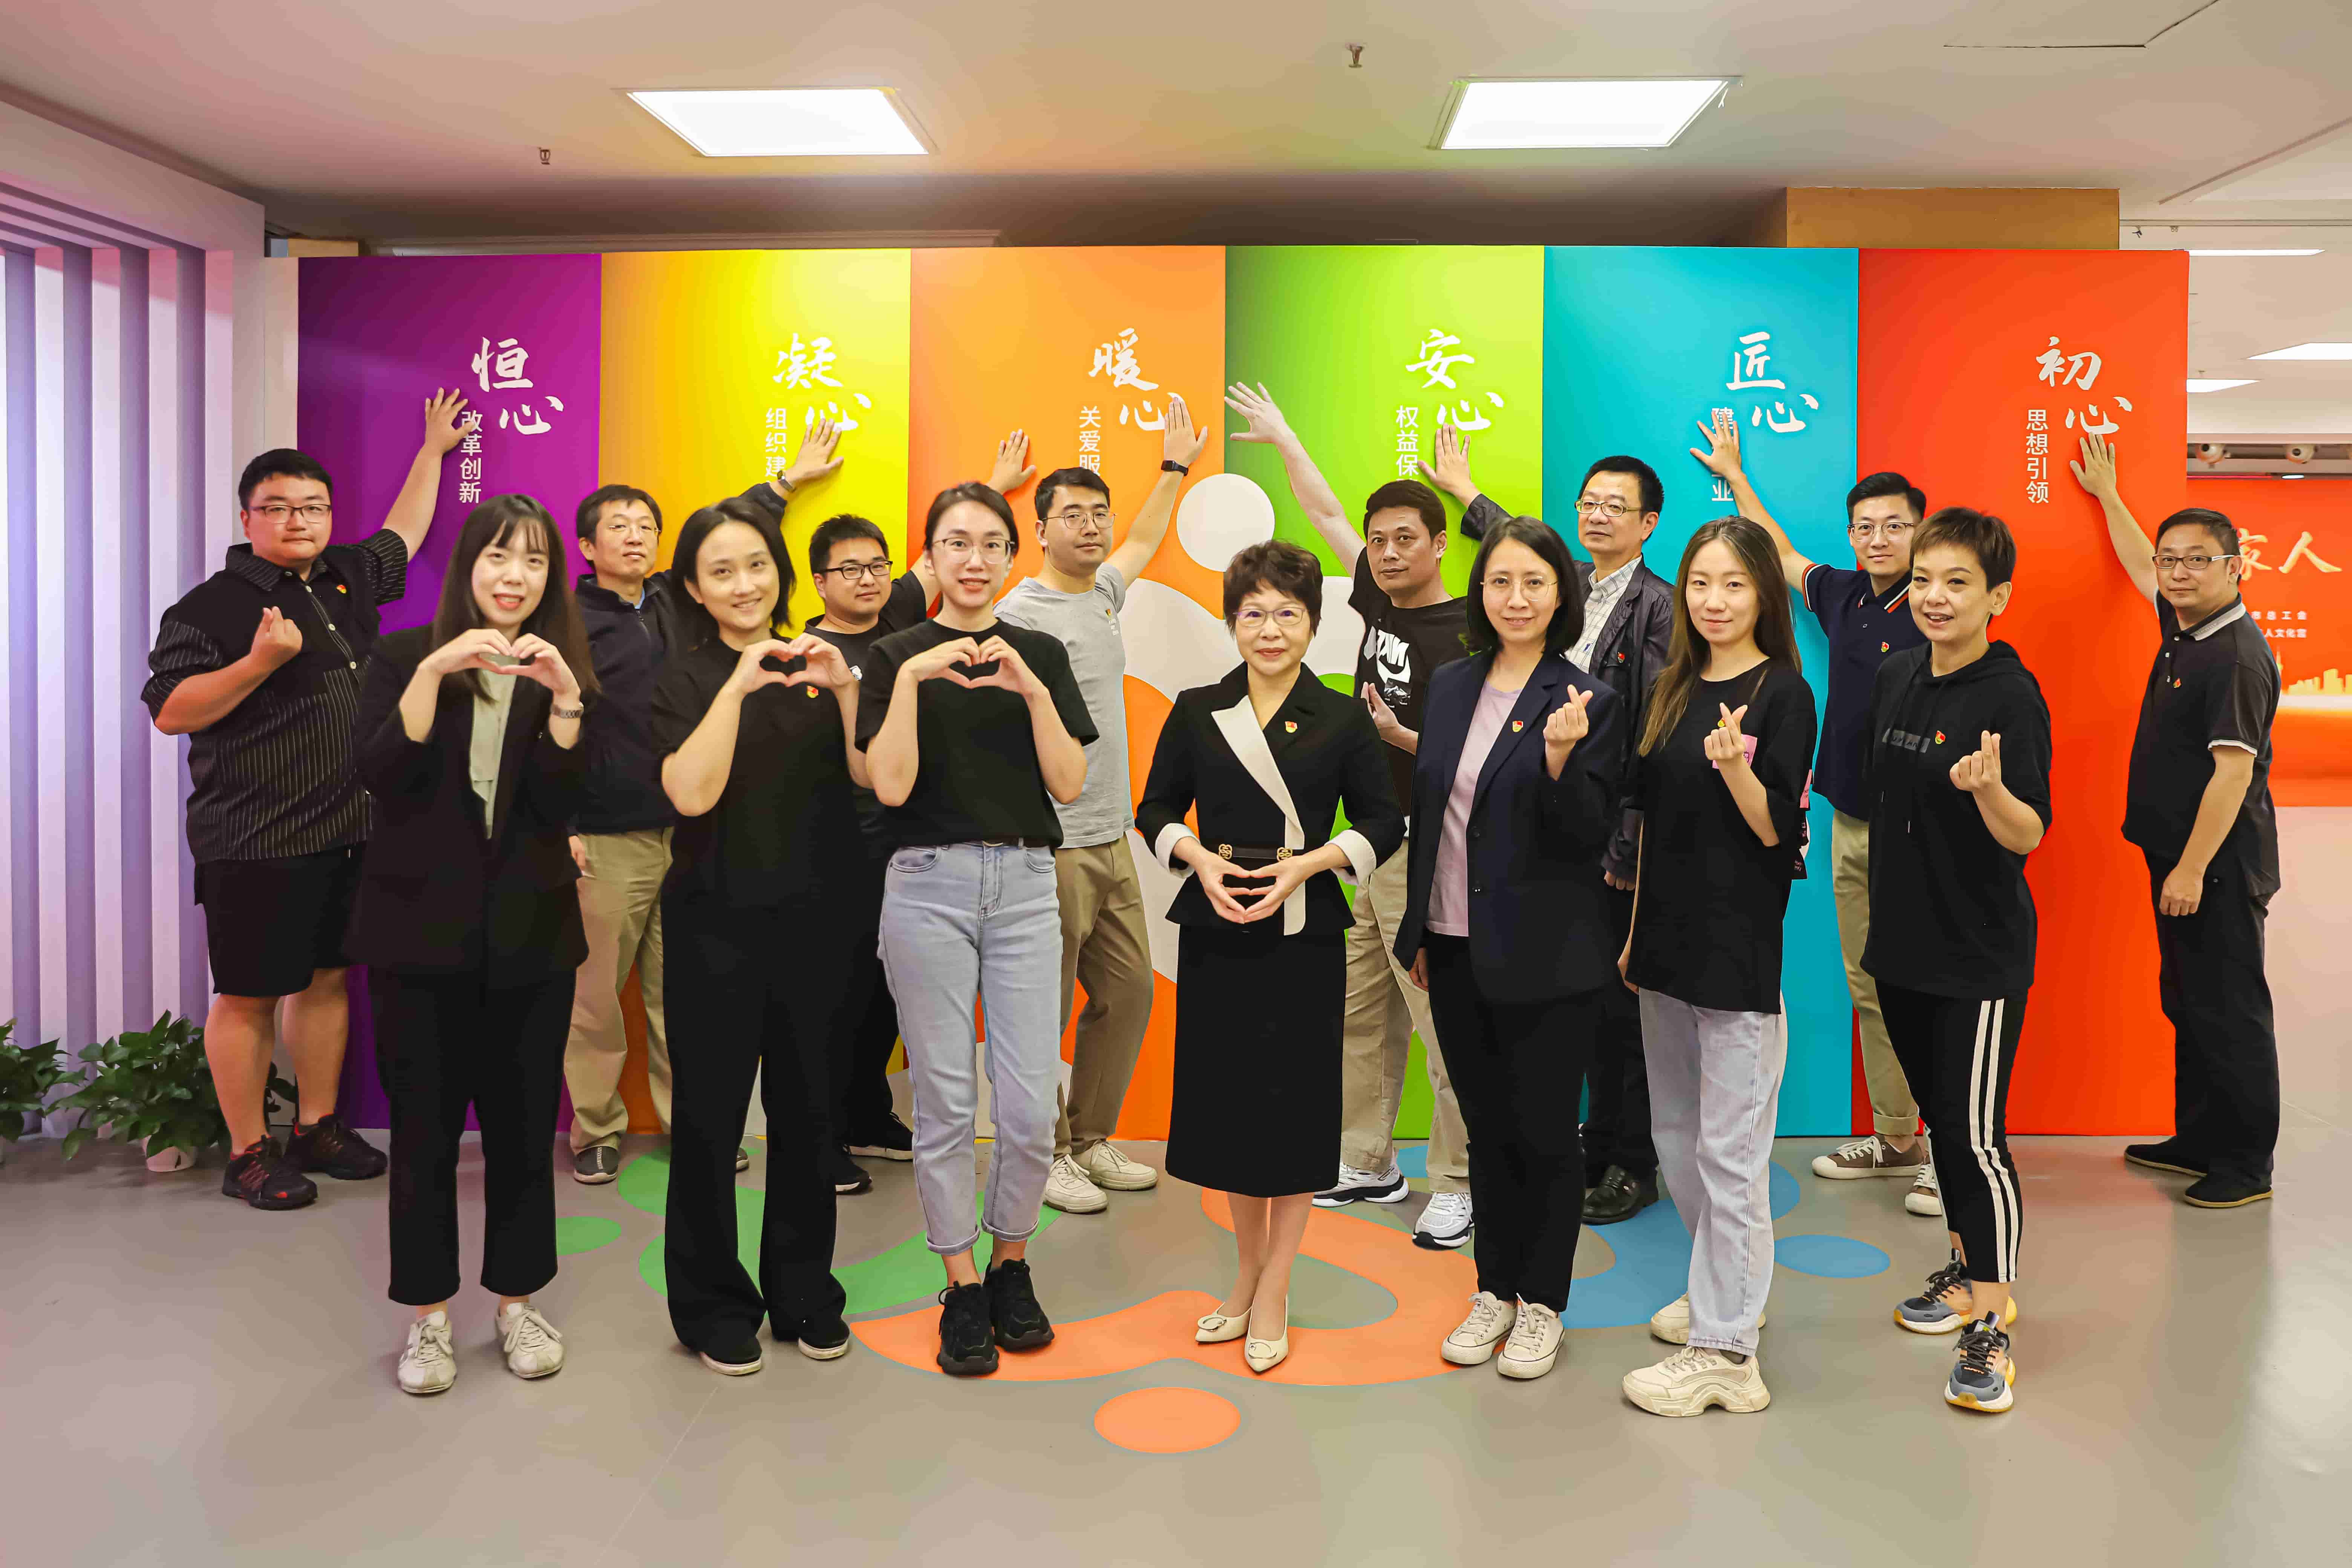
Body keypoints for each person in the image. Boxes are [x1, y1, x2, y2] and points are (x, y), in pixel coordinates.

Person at [143, 392, 469, 1210]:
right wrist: (256, 663)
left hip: (351, 829)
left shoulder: (346, 575)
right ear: (248, 518)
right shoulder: (211, 606)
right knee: (249, 993)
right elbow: (170, 711)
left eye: (314, 506)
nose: (299, 520)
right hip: (255, 837)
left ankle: (316, 1127)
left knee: (326, 980)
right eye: (279, 507)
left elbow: (403, 534)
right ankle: (247, 1153)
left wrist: (432, 450)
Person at [1136, 540, 1403, 1375]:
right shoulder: (1197, 708)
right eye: (1253, 613)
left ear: (1313, 623)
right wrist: (1198, 860)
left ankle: (1277, 1284)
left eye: (1288, 613)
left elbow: (1383, 822)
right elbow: (1154, 809)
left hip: (1303, 934)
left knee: (1292, 1118)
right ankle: (1246, 1274)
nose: (1270, 629)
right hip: (1217, 929)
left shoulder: (1343, 717)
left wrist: (1310, 864)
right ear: (1231, 621)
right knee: (1229, 1117)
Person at [349, 496, 595, 1395]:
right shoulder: (402, 655)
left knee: (524, 1133)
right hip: (417, 937)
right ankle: (427, 1317)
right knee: (423, 1135)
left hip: (532, 937)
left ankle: (517, 1303)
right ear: (467, 565)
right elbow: (381, 775)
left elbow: (563, 803)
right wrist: (435, 671)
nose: (515, 576)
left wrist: (566, 702)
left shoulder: (560, 665)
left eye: (533, 560)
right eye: (498, 556)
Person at [1223, 383, 1474, 1253]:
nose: (1389, 551)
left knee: (1442, 1019)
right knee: (1362, 1009)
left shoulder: (1469, 628)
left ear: (1440, 543)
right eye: (1380, 540)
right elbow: (1327, 511)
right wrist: (1286, 435)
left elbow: (1482, 755)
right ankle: (1368, 1159)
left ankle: (1461, 1178)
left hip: (1430, 849)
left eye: (1407, 538)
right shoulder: (1377, 595)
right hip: (1365, 842)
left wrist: (1401, 737)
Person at [562, 422, 844, 1187]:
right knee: (596, 995)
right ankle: (597, 1128)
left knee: (678, 997)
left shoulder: (674, 602)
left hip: (694, 836)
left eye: (645, 525)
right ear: (586, 546)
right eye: (617, 526)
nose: (635, 536)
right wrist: (562, 823)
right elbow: (546, 726)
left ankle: (694, 1123)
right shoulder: (568, 622)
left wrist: (786, 483)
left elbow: (731, 544)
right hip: (610, 832)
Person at [858, 483, 1095, 1377]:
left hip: (1027, 884)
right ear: (931, 555)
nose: (974, 559)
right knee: (947, 1101)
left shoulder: (1041, 652)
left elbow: (1068, 783)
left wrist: (1029, 688)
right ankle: (960, 1283)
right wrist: (914, 679)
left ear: (1010, 556)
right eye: (955, 542)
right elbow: (890, 784)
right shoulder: (893, 655)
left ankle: (1010, 1264)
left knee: (1030, 1108)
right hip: (927, 885)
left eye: (992, 543)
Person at [1691, 413, 1940, 1218]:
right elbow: (1783, 553)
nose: (1878, 538)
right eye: (1865, 526)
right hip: (1852, 818)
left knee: (1930, 988)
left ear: (1921, 532)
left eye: (1894, 525)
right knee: (1868, 982)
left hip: (1925, 829)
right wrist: (1736, 477)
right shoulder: (1844, 595)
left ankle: (1953, 1157)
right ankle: (1898, 1137)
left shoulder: (1937, 602)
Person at [1391, 516, 1623, 1381]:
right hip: (1453, 945)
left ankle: (1543, 1302)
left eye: (1534, 582)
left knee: (1545, 1134)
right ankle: (1494, 1287)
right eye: (1500, 582)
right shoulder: (1452, 684)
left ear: (1561, 595)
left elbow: (1588, 840)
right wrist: (1421, 929)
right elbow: (1431, 812)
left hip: (1547, 954)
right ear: (1479, 592)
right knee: (1485, 1130)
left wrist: (1560, 761)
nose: (1516, 598)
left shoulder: (1588, 700)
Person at [1429, 431, 1676, 1227]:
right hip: (1547, 835)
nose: (1598, 516)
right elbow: (1516, 556)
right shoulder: (1567, 581)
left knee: (1618, 1012)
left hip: (1611, 836)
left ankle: (1627, 1161)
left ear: (1649, 523)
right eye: (1589, 503)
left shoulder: (1659, 605)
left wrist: (1626, 846)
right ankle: (1589, 1147)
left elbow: (1649, 735)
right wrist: (1466, 493)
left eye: (1617, 507)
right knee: (1582, 1017)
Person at [776, 433, 1032, 1188]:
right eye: (848, 569)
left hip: (908, 849)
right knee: (834, 998)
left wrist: (994, 485)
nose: (866, 579)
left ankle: (866, 1114)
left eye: (875, 566)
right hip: (832, 855)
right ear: (819, 581)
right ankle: (819, 1139)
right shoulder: (803, 657)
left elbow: (950, 550)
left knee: (888, 994)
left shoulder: (899, 621)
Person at [651, 498, 868, 1376]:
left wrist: (846, 687)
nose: (745, 585)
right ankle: (711, 1305)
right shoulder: (681, 679)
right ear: (694, 590)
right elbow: (690, 793)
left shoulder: (822, 663)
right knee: (709, 1123)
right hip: (715, 927)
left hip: (821, 926)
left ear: (780, 573)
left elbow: (874, 777)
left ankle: (806, 1292)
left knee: (811, 1118)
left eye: (757, 566)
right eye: (722, 571)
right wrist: (740, 685)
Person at [1617, 516, 1816, 1419]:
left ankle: (1729, 1353)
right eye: (1701, 582)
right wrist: (1634, 935)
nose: (1715, 600)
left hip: (1737, 955)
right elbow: (1650, 827)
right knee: (1676, 1140)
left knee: (1732, 1157)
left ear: (1764, 594)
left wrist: (1737, 767)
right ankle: (1726, 1292)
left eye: (1734, 583)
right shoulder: (1673, 686)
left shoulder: (1785, 693)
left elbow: (1777, 829)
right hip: (1664, 946)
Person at [1860, 507, 2050, 1414]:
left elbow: (2030, 832)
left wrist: (1992, 792)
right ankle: (1967, 1269)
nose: (1934, 597)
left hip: (1976, 957)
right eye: (1924, 580)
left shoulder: (2011, 696)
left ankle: (1993, 1321)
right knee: (1946, 1131)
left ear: (1996, 597)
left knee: (1976, 1140)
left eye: (1958, 583)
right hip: (1902, 946)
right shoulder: (1898, 674)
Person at [996, 400, 1207, 1216]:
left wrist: (1174, 468)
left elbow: (1144, 541)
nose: (1090, 527)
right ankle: (1043, 1153)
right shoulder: (1017, 615)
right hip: (1047, 847)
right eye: (1071, 515)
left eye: (1098, 514)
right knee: (1040, 1011)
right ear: (1039, 529)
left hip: (1113, 838)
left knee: (1128, 994)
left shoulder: (1103, 595)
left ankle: (1087, 1141)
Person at [2072, 433, 2280, 1210]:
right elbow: (2138, 565)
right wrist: (2109, 494)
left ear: (2236, 567)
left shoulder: (2235, 656)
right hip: (2179, 857)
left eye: (2199, 560)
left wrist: (2191, 869)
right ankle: (2199, 1139)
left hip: (2217, 866)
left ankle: (2247, 1164)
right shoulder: (2189, 628)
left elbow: (2233, 774)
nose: (2178, 572)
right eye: (2173, 559)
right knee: (2189, 1001)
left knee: (2230, 1011)